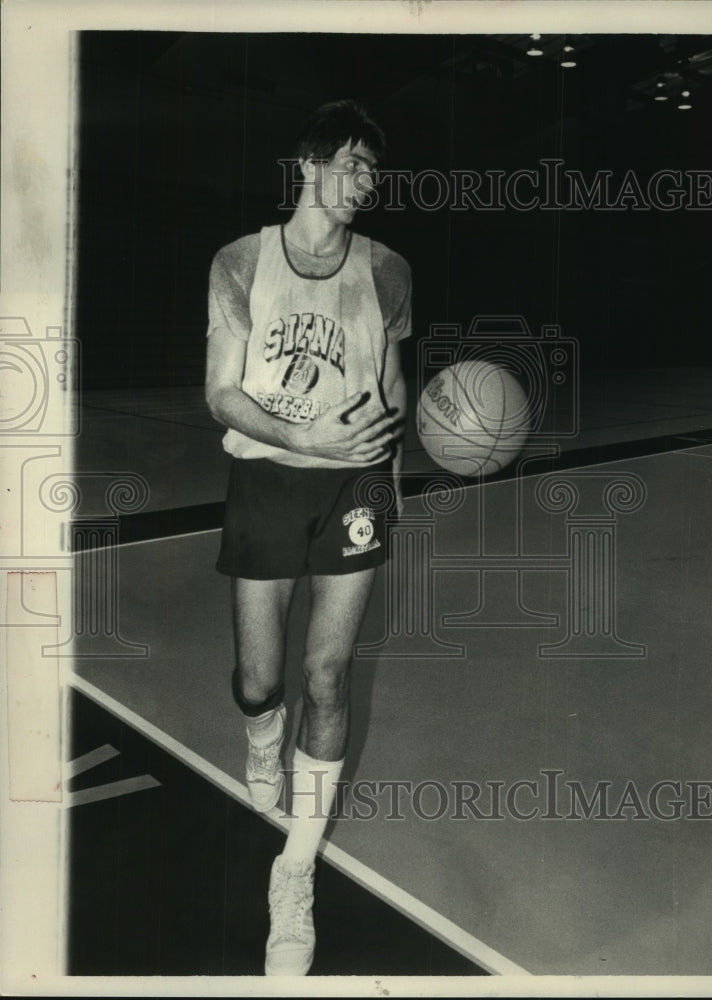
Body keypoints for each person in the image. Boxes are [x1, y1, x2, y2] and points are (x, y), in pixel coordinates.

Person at [204, 99, 411, 976]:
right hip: (268, 474)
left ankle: (295, 874)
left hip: (356, 485)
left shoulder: (391, 269)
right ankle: (262, 732)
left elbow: (393, 385)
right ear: (310, 163)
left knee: (327, 672)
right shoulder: (241, 261)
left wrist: (396, 471)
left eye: (374, 168)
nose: (367, 181)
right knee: (261, 680)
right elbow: (222, 393)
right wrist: (307, 438)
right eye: (355, 162)